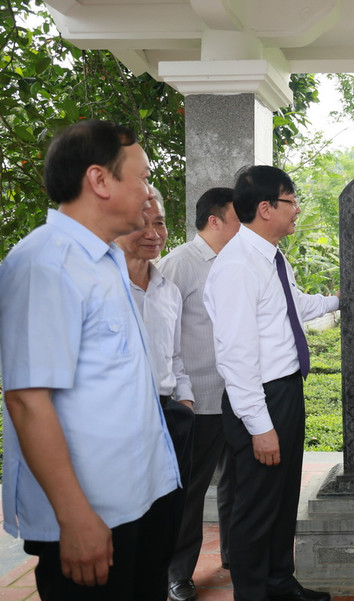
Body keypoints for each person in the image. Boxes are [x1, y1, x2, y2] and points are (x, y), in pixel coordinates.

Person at [0, 119, 180, 600]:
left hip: (139, 496)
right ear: (99, 180)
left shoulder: (102, 259)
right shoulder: (46, 264)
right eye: (141, 178)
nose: (148, 192)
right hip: (90, 515)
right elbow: (27, 400)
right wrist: (74, 516)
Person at [204, 165, 339, 601]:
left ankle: (281, 583)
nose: (297, 210)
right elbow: (236, 355)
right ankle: (255, 593)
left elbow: (293, 305)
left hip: (284, 391)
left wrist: (345, 298)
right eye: (291, 201)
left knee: (281, 501)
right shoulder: (238, 266)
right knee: (256, 508)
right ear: (265, 208)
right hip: (259, 399)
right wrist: (260, 426)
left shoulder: (269, 256)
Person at [158, 187, 241, 601]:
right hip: (200, 398)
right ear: (215, 220)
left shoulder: (234, 263)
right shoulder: (179, 265)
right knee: (191, 492)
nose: (243, 224)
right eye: (237, 217)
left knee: (237, 483)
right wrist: (181, 395)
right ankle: (178, 573)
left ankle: (236, 555)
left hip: (238, 396)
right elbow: (164, 332)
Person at [116, 187, 196, 589]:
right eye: (140, 224)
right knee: (123, 533)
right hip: (119, 424)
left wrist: (185, 399)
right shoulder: (100, 288)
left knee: (164, 527)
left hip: (169, 418)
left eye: (160, 222)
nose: (153, 232)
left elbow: (175, 355)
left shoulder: (169, 290)